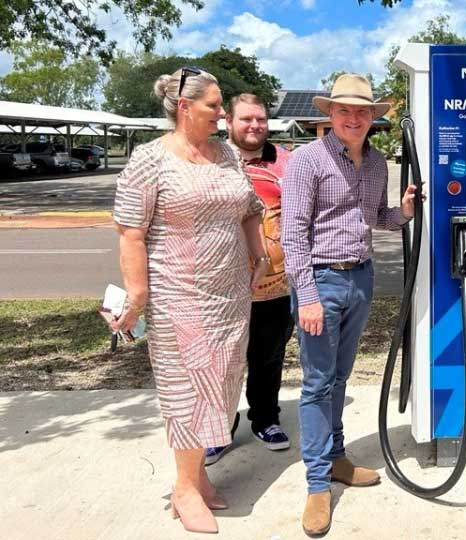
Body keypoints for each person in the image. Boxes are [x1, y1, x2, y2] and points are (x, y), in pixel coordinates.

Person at [112, 67, 268, 534]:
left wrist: (258, 254)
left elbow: (249, 209)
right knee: (187, 393)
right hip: (177, 295)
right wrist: (137, 295)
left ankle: (197, 476)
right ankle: (183, 488)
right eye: (214, 106)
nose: (222, 113)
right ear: (184, 107)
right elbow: (129, 231)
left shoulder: (226, 156)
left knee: (221, 385)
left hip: (229, 298)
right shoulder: (150, 159)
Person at [281, 73, 419, 537]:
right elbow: (293, 234)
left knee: (339, 376)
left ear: (371, 118)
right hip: (320, 279)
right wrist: (308, 296)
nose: (354, 118)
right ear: (331, 114)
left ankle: (336, 457)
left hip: (360, 277)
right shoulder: (307, 161)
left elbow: (377, 218)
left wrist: (404, 212)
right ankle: (317, 483)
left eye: (362, 111)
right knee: (318, 382)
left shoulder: (378, 163)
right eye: (345, 110)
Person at [203, 93, 296, 465]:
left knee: (267, 356)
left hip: (275, 285)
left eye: (260, 119)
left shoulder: (286, 162)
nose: (255, 126)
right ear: (228, 121)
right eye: (246, 119)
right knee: (221, 360)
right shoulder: (211, 160)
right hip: (221, 287)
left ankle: (266, 418)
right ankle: (220, 429)